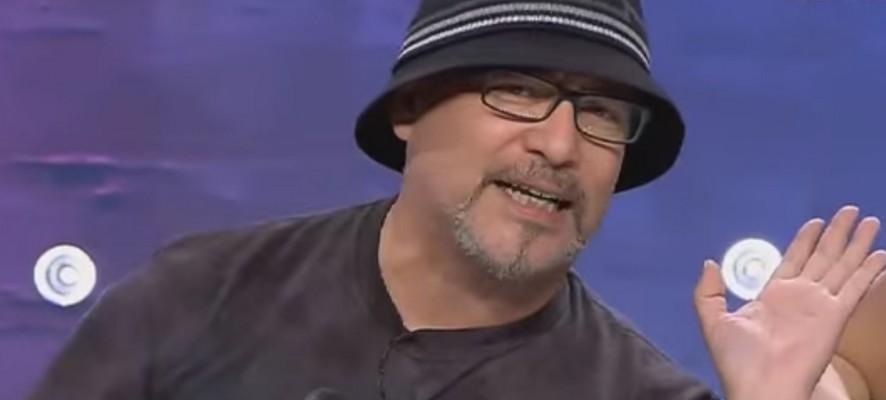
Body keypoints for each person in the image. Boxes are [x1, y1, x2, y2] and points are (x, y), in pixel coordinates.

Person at [26, 0, 885, 399]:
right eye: (519, 89)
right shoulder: (195, 298)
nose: (560, 145)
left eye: (599, 112)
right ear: (410, 109)